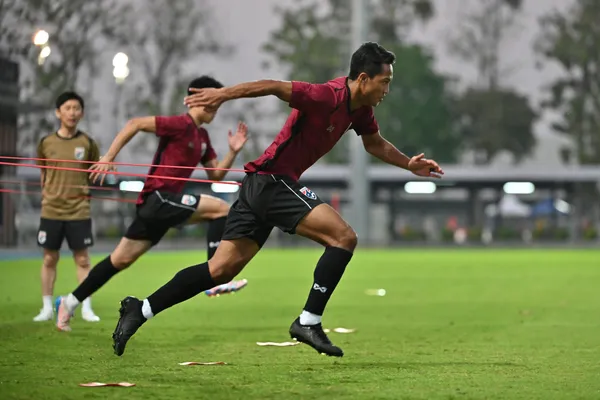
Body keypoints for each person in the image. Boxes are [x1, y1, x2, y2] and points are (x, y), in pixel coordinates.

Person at [111, 42, 444, 357]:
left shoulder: (360, 110)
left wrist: (409, 164)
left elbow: (375, 144)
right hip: (271, 182)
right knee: (343, 238)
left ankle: (140, 309)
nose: (387, 90)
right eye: (385, 82)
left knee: (221, 269)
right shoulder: (325, 96)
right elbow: (271, 85)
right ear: (362, 79)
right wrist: (222, 95)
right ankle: (308, 321)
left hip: (260, 185)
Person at [54, 76, 249, 332]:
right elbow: (135, 123)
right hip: (157, 199)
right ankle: (215, 277)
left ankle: (68, 302)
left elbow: (215, 175)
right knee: (221, 209)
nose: (217, 106)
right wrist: (109, 157)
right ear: (199, 99)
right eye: (215, 100)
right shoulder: (178, 124)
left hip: (161, 207)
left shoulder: (202, 137)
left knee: (119, 260)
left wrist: (233, 151)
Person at [34, 91, 100, 322]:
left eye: (76, 108)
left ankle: (86, 308)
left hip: (79, 211)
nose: (72, 112)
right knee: (49, 259)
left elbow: (94, 172)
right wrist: (46, 194)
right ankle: (46, 308)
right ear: (58, 112)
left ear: (81, 113)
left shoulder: (88, 143)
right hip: (51, 210)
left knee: (83, 260)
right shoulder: (46, 143)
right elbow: (43, 172)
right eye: (68, 108)